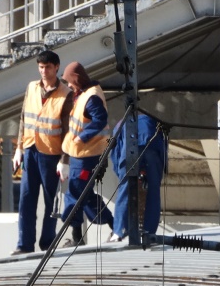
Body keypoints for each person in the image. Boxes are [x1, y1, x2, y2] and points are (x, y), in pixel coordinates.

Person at [11, 50, 74, 255]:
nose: (44, 71)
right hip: (30, 150)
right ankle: (24, 244)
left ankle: (47, 242)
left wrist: (64, 159)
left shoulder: (66, 93)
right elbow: (23, 118)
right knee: (26, 199)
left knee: (51, 202)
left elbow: (67, 130)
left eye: (47, 67)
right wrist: (19, 148)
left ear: (56, 67)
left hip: (51, 154)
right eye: (41, 67)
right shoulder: (32, 87)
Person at [59, 61, 113, 245]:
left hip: (86, 155)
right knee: (85, 195)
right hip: (80, 154)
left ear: (76, 79)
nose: (68, 85)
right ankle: (117, 226)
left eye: (69, 81)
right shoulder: (84, 94)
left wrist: (82, 137)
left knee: (75, 194)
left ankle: (76, 237)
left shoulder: (91, 97)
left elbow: (100, 120)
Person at [109, 113, 167, 242]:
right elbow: (163, 148)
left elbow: (116, 155)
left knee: (125, 189)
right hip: (154, 148)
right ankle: (149, 232)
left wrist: (122, 176)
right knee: (153, 191)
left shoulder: (119, 126)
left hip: (130, 147)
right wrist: (157, 175)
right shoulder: (154, 121)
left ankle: (119, 231)